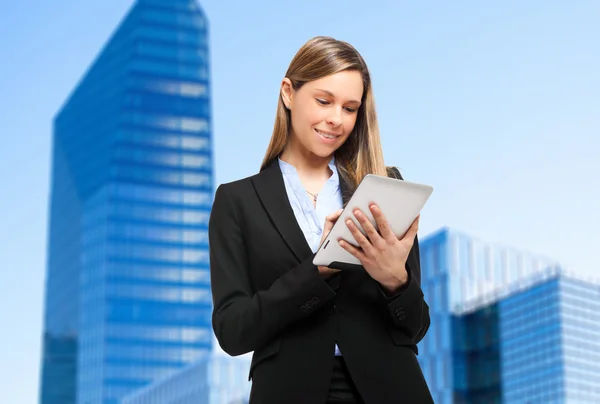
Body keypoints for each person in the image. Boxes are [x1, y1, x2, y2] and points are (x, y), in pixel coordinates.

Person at [209, 36, 433, 404]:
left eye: (349, 108)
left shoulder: (384, 186)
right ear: (288, 93)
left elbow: (416, 326)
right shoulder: (237, 201)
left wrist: (396, 280)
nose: (336, 119)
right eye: (323, 101)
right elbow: (233, 330)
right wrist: (318, 270)